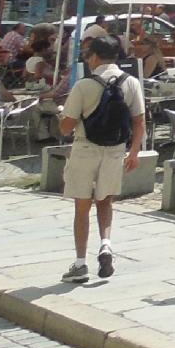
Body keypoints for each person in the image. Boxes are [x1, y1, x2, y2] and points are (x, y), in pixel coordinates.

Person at [57, 35, 147, 282]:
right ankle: (106, 244)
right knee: (106, 200)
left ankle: (80, 263)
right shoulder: (131, 83)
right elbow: (139, 122)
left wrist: (60, 116)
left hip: (85, 148)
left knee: (82, 206)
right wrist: (134, 152)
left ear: (94, 57)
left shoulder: (83, 85)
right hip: (115, 150)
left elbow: (66, 126)